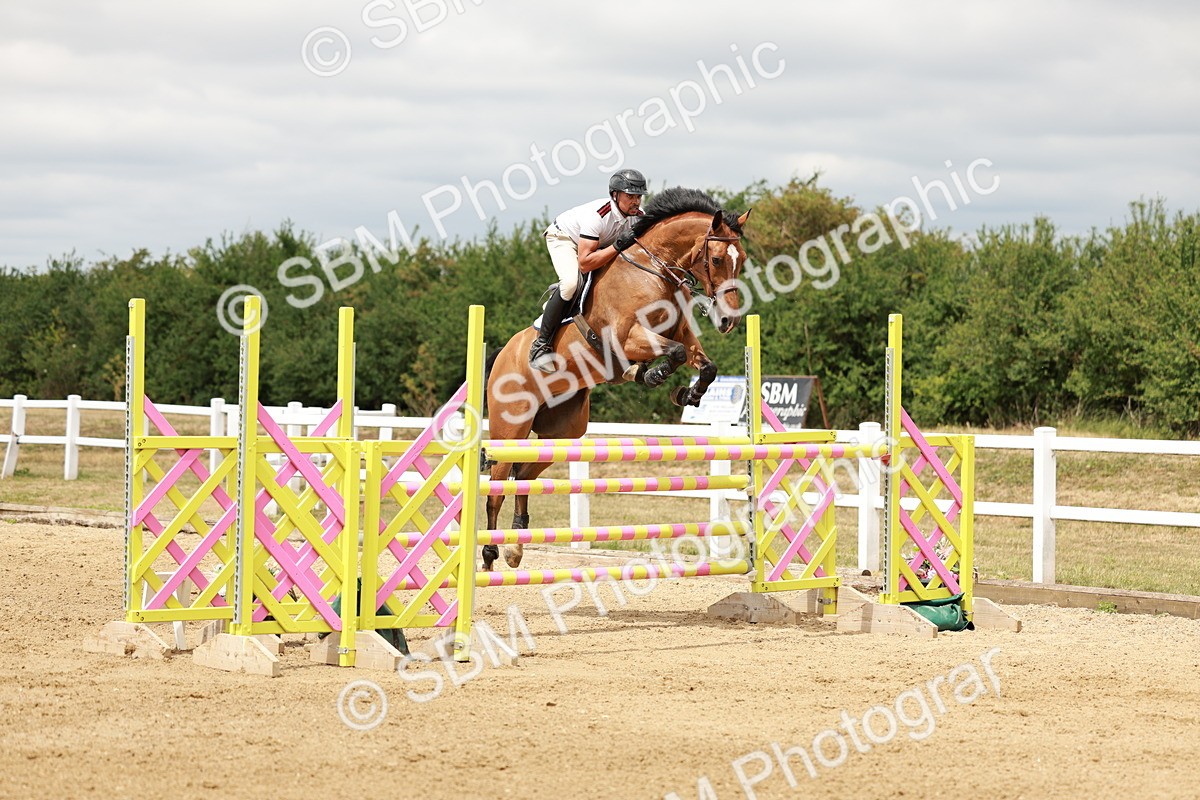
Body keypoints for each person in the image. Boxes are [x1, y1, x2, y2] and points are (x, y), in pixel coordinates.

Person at [528, 168, 649, 373]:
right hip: (565, 238)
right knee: (570, 284)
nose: (636, 201)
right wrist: (617, 246)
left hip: (598, 246)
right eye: (630, 196)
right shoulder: (598, 216)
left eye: (638, 196)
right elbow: (585, 263)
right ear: (615, 195)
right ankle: (541, 345)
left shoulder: (638, 216)